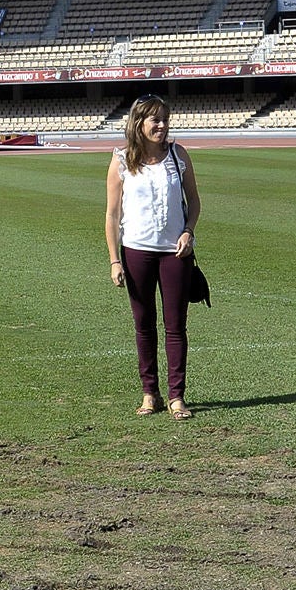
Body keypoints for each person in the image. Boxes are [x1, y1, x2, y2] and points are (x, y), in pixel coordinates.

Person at [105, 93, 201, 420]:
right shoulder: (120, 160)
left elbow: (195, 203)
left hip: (174, 253)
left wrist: (188, 231)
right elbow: (111, 214)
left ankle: (177, 396)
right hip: (136, 251)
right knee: (143, 325)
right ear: (139, 123)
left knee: (176, 326)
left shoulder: (178, 155)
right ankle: (150, 393)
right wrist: (114, 260)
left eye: (164, 119)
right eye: (155, 120)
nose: (162, 125)